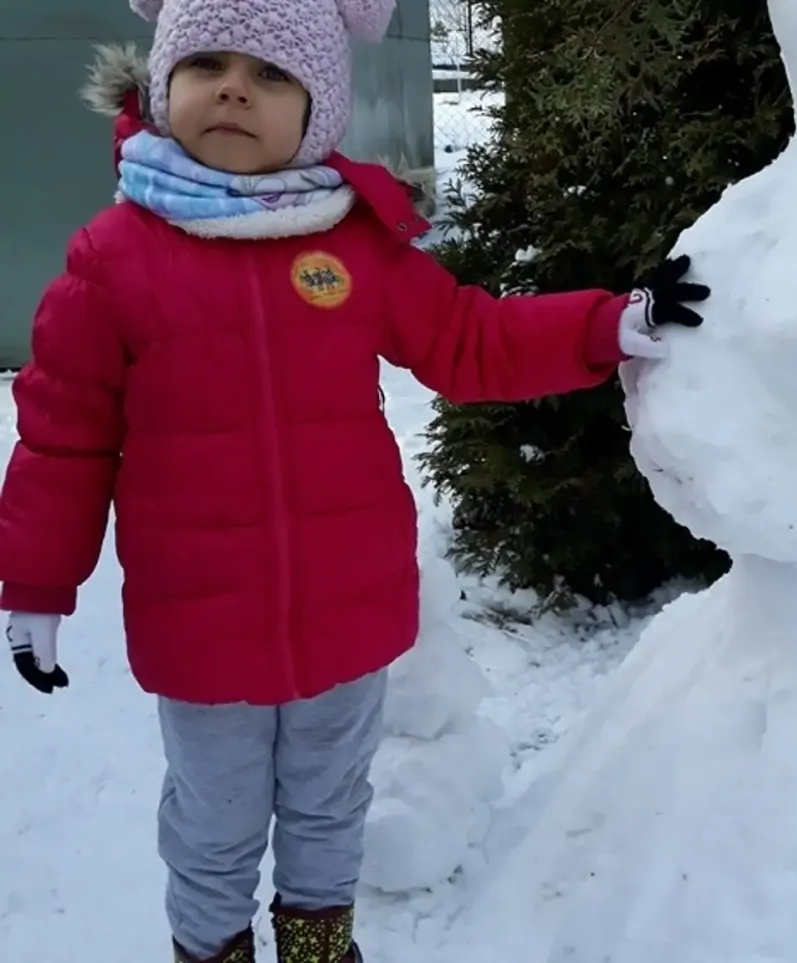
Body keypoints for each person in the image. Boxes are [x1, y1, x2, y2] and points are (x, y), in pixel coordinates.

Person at [0, 1, 710, 961]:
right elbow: (62, 438)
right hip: (202, 626)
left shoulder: (352, 244)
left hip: (349, 605)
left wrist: (603, 325)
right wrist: (38, 585)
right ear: (165, 86)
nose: (236, 86)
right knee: (214, 822)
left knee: (331, 804)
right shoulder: (114, 261)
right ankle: (208, 947)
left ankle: (320, 945)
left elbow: (469, 339)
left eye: (273, 73)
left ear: (319, 110)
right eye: (207, 60)